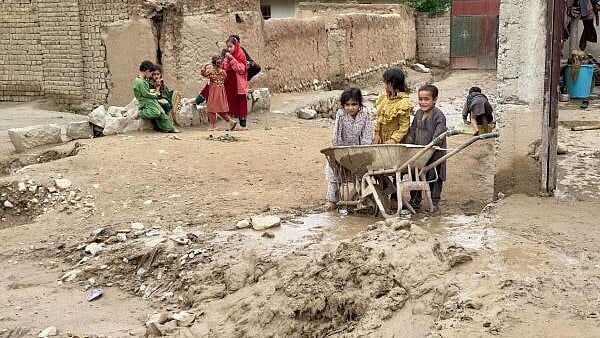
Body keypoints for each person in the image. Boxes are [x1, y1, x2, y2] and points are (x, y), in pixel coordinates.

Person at [325, 88, 373, 211]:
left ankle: (363, 198)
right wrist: (338, 151)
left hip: (359, 149)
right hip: (342, 148)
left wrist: (361, 151)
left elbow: (367, 134)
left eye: (354, 104)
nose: (350, 108)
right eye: (347, 105)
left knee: (362, 173)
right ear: (343, 105)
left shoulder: (365, 114)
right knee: (334, 173)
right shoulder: (340, 114)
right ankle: (332, 200)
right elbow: (336, 134)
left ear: (359, 104)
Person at [406, 84, 448, 210]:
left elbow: (439, 134)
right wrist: (409, 145)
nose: (423, 102)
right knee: (415, 174)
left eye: (426, 99)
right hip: (418, 152)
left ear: (434, 100)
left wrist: (432, 146)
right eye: (420, 99)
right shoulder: (418, 114)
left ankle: (434, 202)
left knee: (434, 176)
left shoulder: (438, 115)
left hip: (434, 153)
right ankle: (415, 200)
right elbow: (412, 131)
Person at [133, 60, 179, 133]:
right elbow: (146, 93)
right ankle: (161, 126)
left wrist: (159, 87)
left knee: (165, 107)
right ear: (148, 72)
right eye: (153, 74)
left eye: (158, 74)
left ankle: (169, 127)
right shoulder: (144, 82)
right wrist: (156, 91)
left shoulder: (160, 83)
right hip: (149, 101)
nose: (155, 76)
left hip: (153, 100)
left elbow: (164, 94)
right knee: (158, 110)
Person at [373, 68, 413, 144]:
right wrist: (377, 133)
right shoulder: (384, 98)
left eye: (385, 83)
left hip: (395, 142)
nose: (384, 86)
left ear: (391, 84)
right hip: (382, 138)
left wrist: (394, 139)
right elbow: (379, 118)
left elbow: (404, 126)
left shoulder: (403, 103)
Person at [201, 54, 236, 131]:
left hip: (214, 90)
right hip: (221, 91)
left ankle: (213, 126)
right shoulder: (224, 72)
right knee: (219, 109)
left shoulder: (211, 72)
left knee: (211, 108)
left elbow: (204, 74)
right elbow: (224, 78)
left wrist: (204, 66)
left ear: (213, 63)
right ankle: (231, 121)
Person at [223, 36, 249, 130]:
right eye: (228, 47)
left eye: (231, 47)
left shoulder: (241, 55)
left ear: (236, 46)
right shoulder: (228, 55)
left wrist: (232, 60)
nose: (229, 49)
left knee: (241, 104)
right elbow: (225, 67)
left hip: (239, 84)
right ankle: (233, 124)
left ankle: (243, 126)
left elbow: (241, 69)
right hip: (231, 84)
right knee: (232, 103)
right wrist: (227, 60)